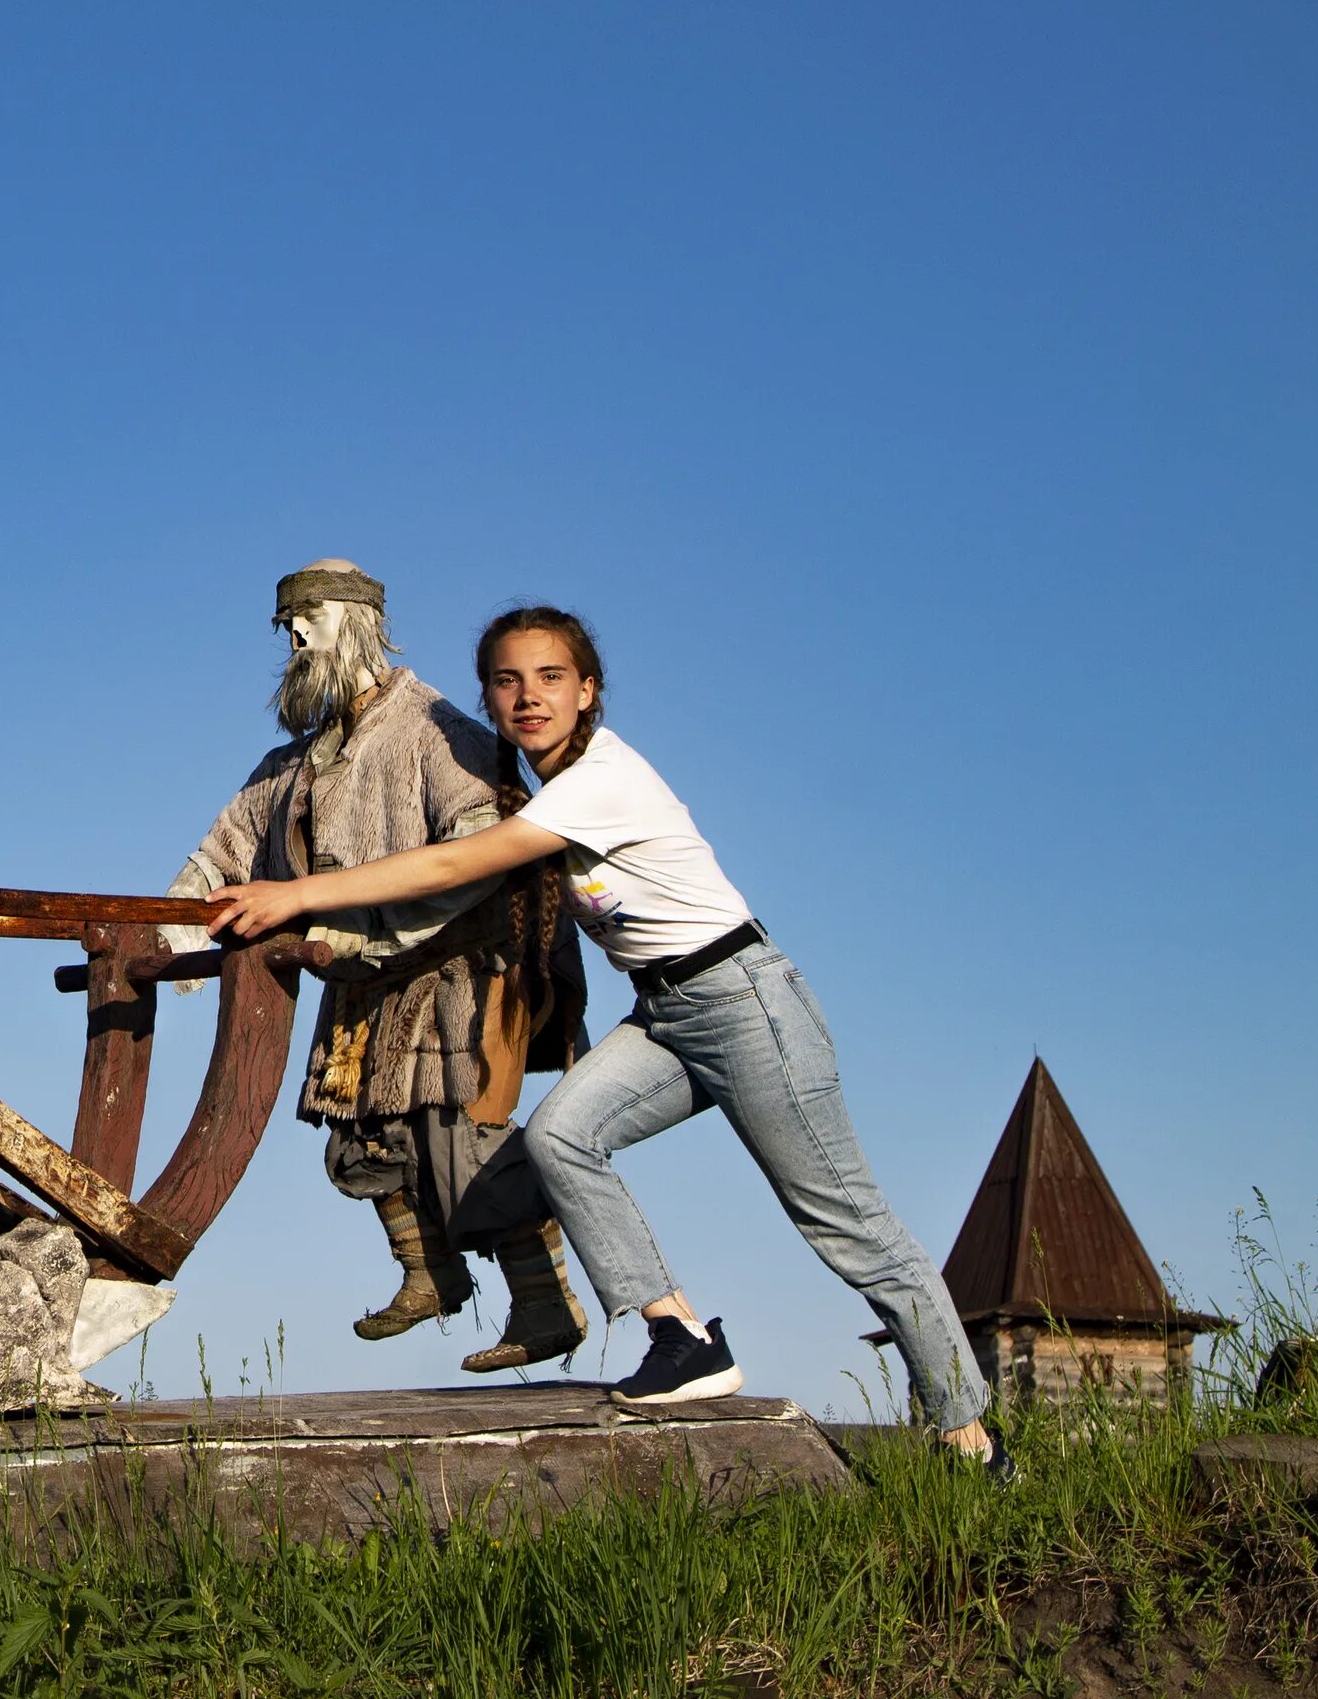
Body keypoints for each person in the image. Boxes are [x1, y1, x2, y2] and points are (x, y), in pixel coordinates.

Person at [209, 606, 1004, 1468]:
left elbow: (451, 863)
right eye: (507, 681)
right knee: (562, 1138)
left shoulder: (601, 780)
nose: (529, 697)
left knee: (847, 1224)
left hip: (744, 1004)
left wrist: (297, 897)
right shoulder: (553, 788)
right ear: (489, 696)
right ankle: (681, 1339)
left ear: (588, 691)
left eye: (551, 678)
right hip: (667, 1012)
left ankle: (968, 1435)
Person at [164, 561, 589, 1372]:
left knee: (464, 1147)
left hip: (455, 974)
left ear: (357, 622)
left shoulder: (438, 730)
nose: (293, 636)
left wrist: (374, 933)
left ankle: (544, 1306)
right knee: (362, 1141)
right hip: (360, 984)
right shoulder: (289, 766)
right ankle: (429, 1274)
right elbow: (218, 858)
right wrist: (163, 943)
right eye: (285, 623)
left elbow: (484, 855)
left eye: (309, 618)